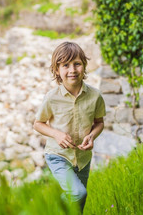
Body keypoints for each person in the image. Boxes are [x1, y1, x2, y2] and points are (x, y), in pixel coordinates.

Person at [33, 41, 106, 211]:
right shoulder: (52, 98)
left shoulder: (95, 96)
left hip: (82, 158)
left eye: (77, 64)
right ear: (57, 70)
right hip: (58, 155)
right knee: (78, 194)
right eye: (65, 65)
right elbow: (38, 124)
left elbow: (99, 123)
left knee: (78, 205)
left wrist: (92, 136)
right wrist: (56, 134)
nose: (72, 70)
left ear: (84, 66)